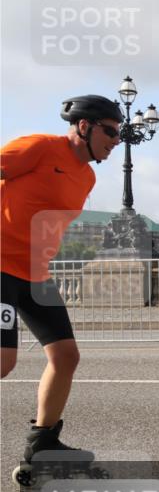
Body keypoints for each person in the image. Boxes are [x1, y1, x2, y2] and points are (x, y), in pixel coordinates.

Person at [1, 95, 123, 471]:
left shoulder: (87, 176)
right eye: (110, 131)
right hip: (1, 264)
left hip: (36, 273)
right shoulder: (39, 147)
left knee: (66, 357)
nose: (116, 141)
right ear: (83, 126)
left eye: (120, 135)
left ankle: (42, 445)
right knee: (3, 362)